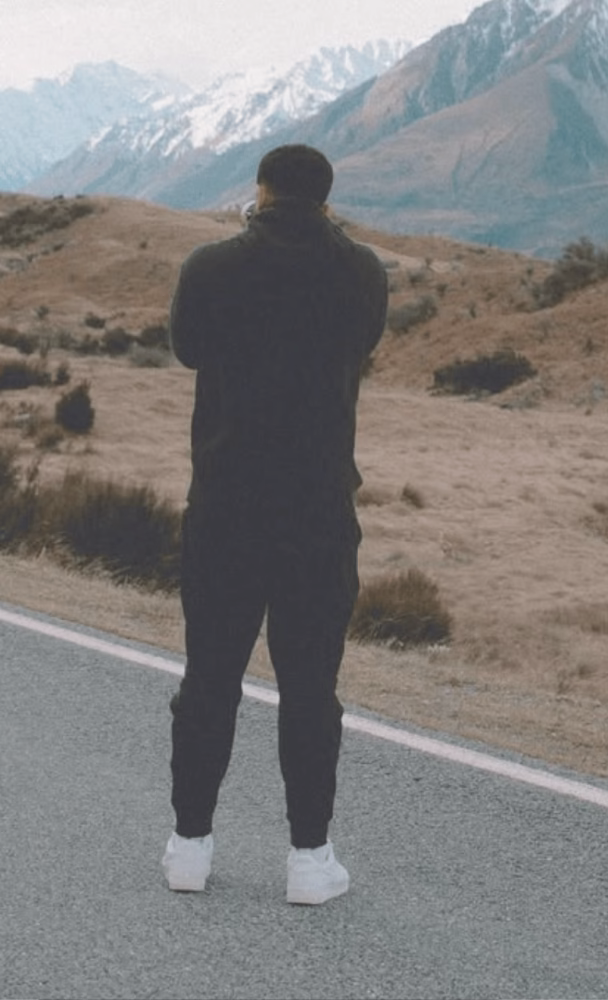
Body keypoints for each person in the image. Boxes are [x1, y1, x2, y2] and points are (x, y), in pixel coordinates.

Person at [162, 144, 388, 904]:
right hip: (318, 509)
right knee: (310, 688)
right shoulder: (360, 272)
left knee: (210, 680)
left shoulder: (211, 267)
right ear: (327, 197)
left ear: (259, 192)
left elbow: (189, 348)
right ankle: (308, 859)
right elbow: (362, 345)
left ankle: (190, 845)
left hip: (226, 504)